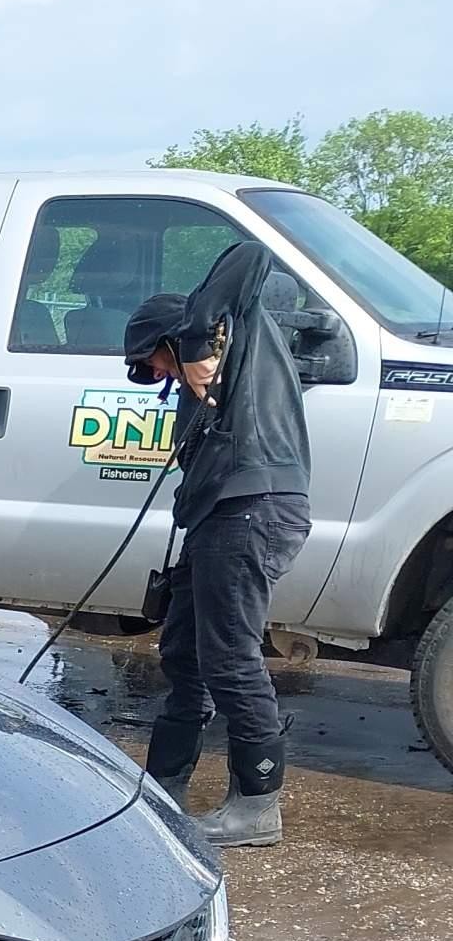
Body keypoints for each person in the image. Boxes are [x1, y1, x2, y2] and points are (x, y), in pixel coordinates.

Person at [122, 242, 313, 847]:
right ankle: (160, 787)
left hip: (253, 511)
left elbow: (251, 255)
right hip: (217, 519)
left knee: (230, 658)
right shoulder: (193, 395)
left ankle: (256, 807)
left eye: (152, 360)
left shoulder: (243, 341)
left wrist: (200, 340)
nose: (154, 375)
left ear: (175, 337)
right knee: (184, 655)